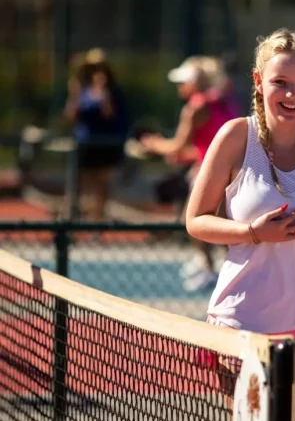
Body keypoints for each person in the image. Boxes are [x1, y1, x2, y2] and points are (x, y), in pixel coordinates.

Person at [185, 28, 295, 420]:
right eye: (280, 82)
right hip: (243, 320)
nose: (291, 94)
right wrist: (253, 233)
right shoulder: (236, 136)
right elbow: (195, 220)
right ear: (258, 81)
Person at [141, 56, 234, 293]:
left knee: (193, 221)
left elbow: (176, 146)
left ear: (194, 83)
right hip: (228, 171)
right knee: (220, 224)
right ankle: (219, 268)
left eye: (184, 81)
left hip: (211, 173)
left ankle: (210, 268)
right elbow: (210, 145)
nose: (180, 86)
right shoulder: (221, 103)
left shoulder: (196, 107)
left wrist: (152, 144)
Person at [63, 48, 129, 221]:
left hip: (106, 143)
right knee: (80, 183)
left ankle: (97, 220)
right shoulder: (81, 90)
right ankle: (73, 219)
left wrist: (103, 93)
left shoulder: (113, 92)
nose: (97, 72)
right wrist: (75, 95)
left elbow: (111, 115)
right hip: (85, 143)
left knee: (102, 183)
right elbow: (71, 116)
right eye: (93, 68)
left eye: (101, 68)